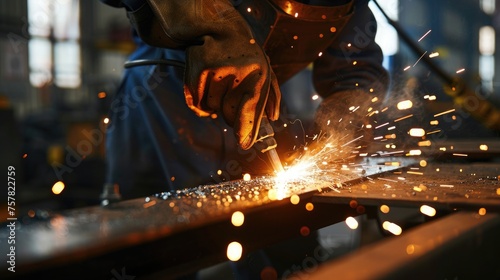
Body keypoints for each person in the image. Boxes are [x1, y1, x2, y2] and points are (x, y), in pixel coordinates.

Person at [100, 0, 388, 201]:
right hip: (163, 95)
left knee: (283, 233)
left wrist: (348, 115)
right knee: (158, 246)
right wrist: (211, 24)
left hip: (262, 104)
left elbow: (356, 68)